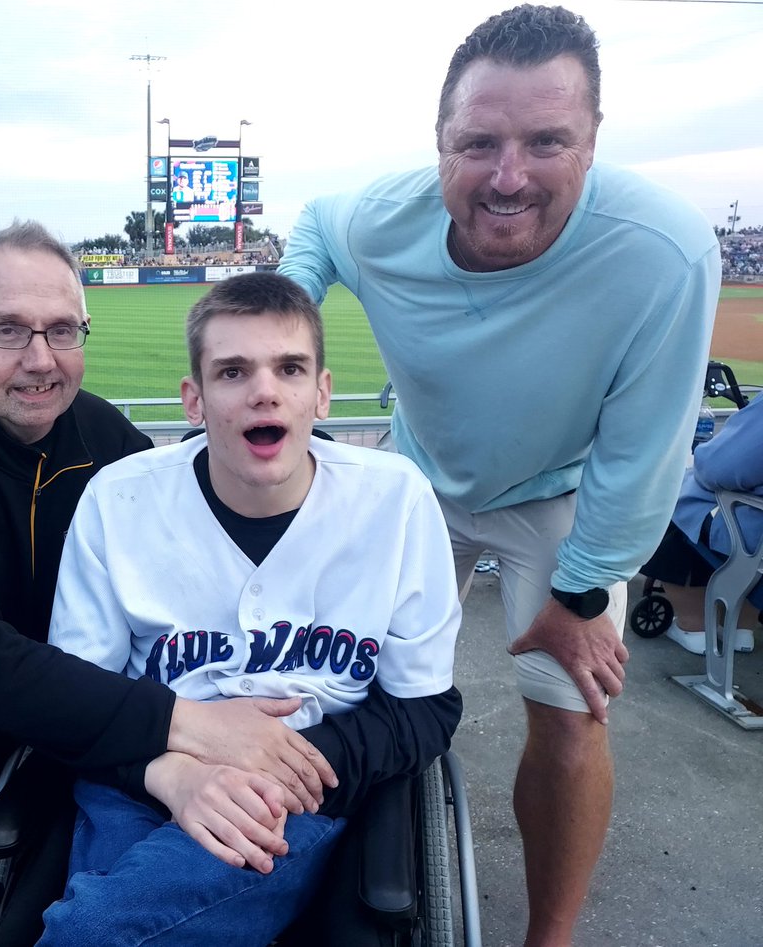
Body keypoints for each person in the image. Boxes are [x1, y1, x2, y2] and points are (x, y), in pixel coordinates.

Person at [277, 6, 720, 944]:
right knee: (343, 679)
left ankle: (548, 934)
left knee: (569, 712)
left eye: (547, 141)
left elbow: (642, 456)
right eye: (478, 142)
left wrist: (580, 590)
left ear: (593, 141)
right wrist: (285, 308)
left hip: (565, 497)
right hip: (421, 480)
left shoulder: (662, 251)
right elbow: (317, 220)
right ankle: (334, 874)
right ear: (440, 142)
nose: (508, 176)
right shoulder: (387, 217)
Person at [0, 221, 340, 947]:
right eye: (9, 330)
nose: (41, 359)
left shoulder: (110, 444)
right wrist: (192, 727)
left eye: (63, 330)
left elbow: (209, 526)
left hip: (47, 733)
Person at [40, 273, 462, 945]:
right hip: (141, 769)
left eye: (289, 367)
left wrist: (286, 761)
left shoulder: (396, 500)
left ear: (321, 391)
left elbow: (427, 706)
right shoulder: (117, 500)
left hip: (300, 785)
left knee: (92, 932)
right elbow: (74, 697)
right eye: (232, 371)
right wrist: (172, 771)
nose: (264, 389)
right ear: (194, 399)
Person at [641, 394, 763, 654]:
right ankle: (742, 628)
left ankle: (693, 626)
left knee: (674, 502)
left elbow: (717, 467)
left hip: (750, 534)